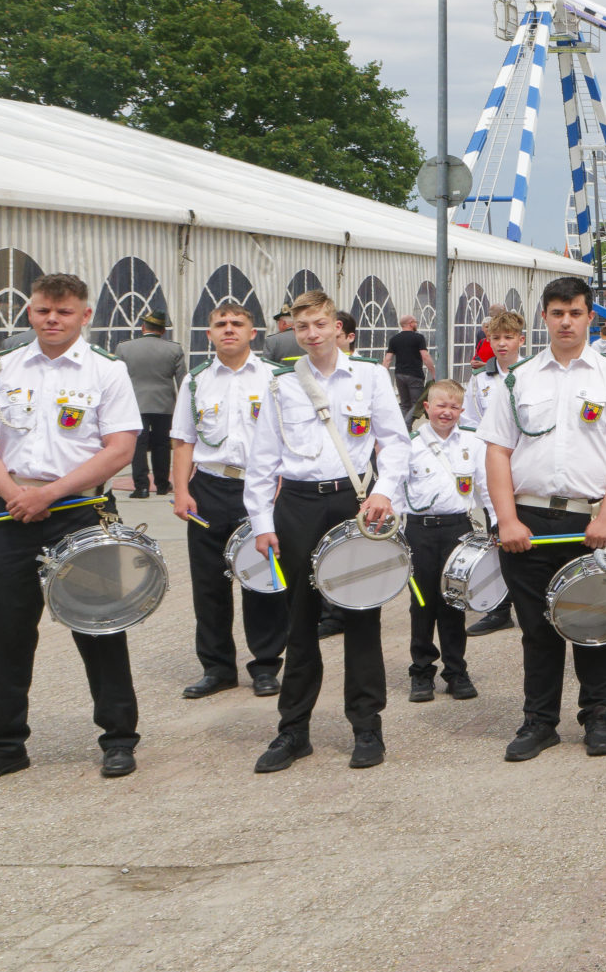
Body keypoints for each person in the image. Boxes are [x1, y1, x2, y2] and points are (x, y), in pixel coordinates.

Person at [0, 273, 143, 788]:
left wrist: (49, 494)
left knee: (99, 625)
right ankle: (4, 746)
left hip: (81, 512)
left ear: (84, 316)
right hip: (14, 513)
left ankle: (119, 740)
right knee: (8, 632)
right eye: (42, 311)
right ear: (30, 313)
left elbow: (119, 449)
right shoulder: (0, 370)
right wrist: (18, 495)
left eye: (63, 312)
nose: (51, 320)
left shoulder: (107, 371)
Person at [479, 277, 606, 761]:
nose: (566, 321)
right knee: (537, 629)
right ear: (545, 319)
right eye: (557, 313)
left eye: (575, 312)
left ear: (591, 317)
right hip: (529, 522)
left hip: (590, 522)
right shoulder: (519, 378)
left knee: (595, 621)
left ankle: (598, 716)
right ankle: (539, 722)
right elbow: (497, 452)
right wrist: (506, 519)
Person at [243, 290, 410, 774]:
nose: (312, 334)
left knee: (361, 617)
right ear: (293, 332)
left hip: (352, 502)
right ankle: (293, 731)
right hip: (295, 504)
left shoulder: (371, 376)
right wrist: (260, 522)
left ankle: (366, 727)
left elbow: (396, 443)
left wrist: (384, 492)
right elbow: (262, 459)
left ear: (337, 326)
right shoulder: (281, 385)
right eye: (302, 328)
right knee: (299, 622)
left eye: (319, 324)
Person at [168, 302, 285, 699]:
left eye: (238, 323)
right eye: (221, 324)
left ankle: (266, 665)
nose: (229, 329)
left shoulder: (275, 378)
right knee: (209, 584)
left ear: (254, 333)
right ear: (209, 334)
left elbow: (292, 437)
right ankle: (217, 668)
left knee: (262, 578)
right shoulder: (196, 381)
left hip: (263, 488)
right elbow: (183, 439)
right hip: (211, 487)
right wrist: (181, 490)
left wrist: (281, 480)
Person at [400, 378, 484, 703]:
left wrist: (494, 520)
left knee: (453, 602)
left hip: (457, 529)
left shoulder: (473, 444)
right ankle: (421, 672)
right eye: (440, 406)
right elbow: (395, 487)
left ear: (461, 410)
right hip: (419, 530)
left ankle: (456, 671)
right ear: (427, 407)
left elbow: (485, 486)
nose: (446, 412)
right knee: (421, 603)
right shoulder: (409, 444)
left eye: (453, 407)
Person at [460, 309, 531, 635]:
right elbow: (473, 427)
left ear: (521, 340)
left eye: (508, 338)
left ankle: (535, 603)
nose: (502, 344)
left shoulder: (533, 374)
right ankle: (499, 609)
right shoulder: (479, 380)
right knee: (498, 538)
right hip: (494, 474)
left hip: (529, 470)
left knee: (533, 539)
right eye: (496, 338)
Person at [116, 311, 185, 499]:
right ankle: (162, 484)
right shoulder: (174, 349)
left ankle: (141, 487)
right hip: (165, 405)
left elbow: (117, 380)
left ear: (142, 327)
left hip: (135, 404)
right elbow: (182, 381)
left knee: (138, 444)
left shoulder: (124, 348)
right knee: (162, 445)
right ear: (163, 330)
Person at [386, 314, 433, 418]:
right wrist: (434, 372)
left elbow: (388, 359)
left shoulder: (394, 339)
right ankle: (407, 426)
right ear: (411, 323)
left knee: (404, 405)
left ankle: (402, 428)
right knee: (417, 404)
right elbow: (425, 356)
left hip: (399, 375)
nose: (416, 324)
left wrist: (382, 375)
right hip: (414, 375)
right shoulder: (418, 338)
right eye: (415, 322)